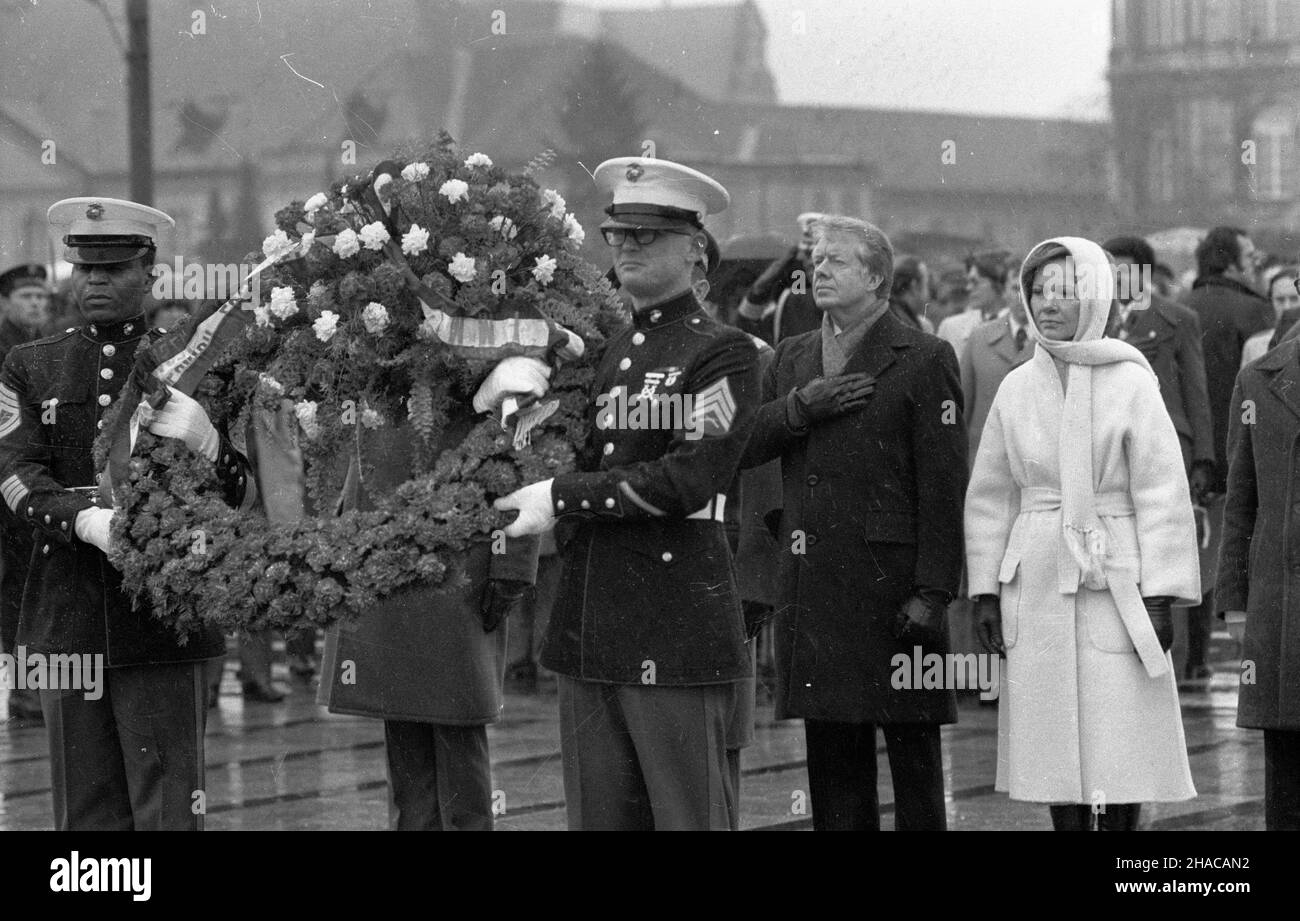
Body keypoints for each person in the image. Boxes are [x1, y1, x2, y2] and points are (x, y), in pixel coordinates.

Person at [494, 157, 760, 830]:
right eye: (619, 234)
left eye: (650, 235)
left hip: (674, 624)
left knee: (685, 816)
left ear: (695, 250)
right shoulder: (609, 350)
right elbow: (583, 453)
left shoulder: (724, 354)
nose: (629, 247)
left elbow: (688, 477)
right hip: (591, 619)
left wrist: (562, 494)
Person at [0, 197, 255, 829]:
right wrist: (87, 519)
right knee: (85, 816)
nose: (95, 281)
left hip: (162, 619)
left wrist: (208, 441)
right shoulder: (32, 364)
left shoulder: (196, 363)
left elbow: (239, 491)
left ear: (150, 274)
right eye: (85, 269)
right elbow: (13, 472)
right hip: (69, 615)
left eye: (112, 269)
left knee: (168, 804)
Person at [965, 236, 1201, 831]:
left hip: (1117, 570)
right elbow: (991, 493)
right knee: (1049, 734)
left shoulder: (1131, 382)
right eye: (1039, 291)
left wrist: (1162, 591)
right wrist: (987, 590)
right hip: (1039, 574)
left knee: (1122, 729)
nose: (1048, 304)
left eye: (1065, 292)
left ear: (1095, 296)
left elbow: (1161, 488)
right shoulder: (1018, 387)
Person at [741, 215, 967, 831]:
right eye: (817, 261)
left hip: (895, 591)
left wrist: (934, 591)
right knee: (833, 765)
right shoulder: (791, 358)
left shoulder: (924, 357)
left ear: (876, 277)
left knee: (914, 764)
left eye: (836, 261)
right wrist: (798, 409)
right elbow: (743, 442)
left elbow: (944, 486)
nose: (819, 270)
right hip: (816, 588)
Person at [1217, 302, 1300, 829]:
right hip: (1282, 606)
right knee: (1288, 779)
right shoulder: (1258, 381)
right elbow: (1240, 502)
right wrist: (1234, 602)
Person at [0, 263, 53, 725]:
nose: (36, 302)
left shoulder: (51, 347)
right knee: (14, 590)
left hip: (33, 488)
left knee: (31, 588)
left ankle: (31, 688)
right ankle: (24, 688)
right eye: (26, 296)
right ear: (5, 302)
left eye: (41, 295)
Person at [1184, 227, 1273, 492]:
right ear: (1229, 264)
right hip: (1239, 446)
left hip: (1190, 449)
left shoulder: (1179, 305)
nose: (1255, 263)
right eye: (1248, 256)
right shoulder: (1254, 309)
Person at [735, 212, 822, 345]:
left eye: (819, 255)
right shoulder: (793, 300)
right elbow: (747, 330)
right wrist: (758, 292)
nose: (811, 261)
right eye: (807, 254)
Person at [937, 249, 1008, 358]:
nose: (968, 288)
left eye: (975, 282)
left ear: (998, 282)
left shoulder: (1022, 327)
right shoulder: (951, 328)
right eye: (968, 282)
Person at [1244, 266, 1300, 363]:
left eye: (1294, 299)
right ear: (1271, 301)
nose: (1287, 307)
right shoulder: (1254, 345)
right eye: (1280, 300)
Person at [889, 255, 935, 333]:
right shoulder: (905, 325)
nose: (929, 296)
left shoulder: (881, 314)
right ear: (914, 286)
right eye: (926, 284)